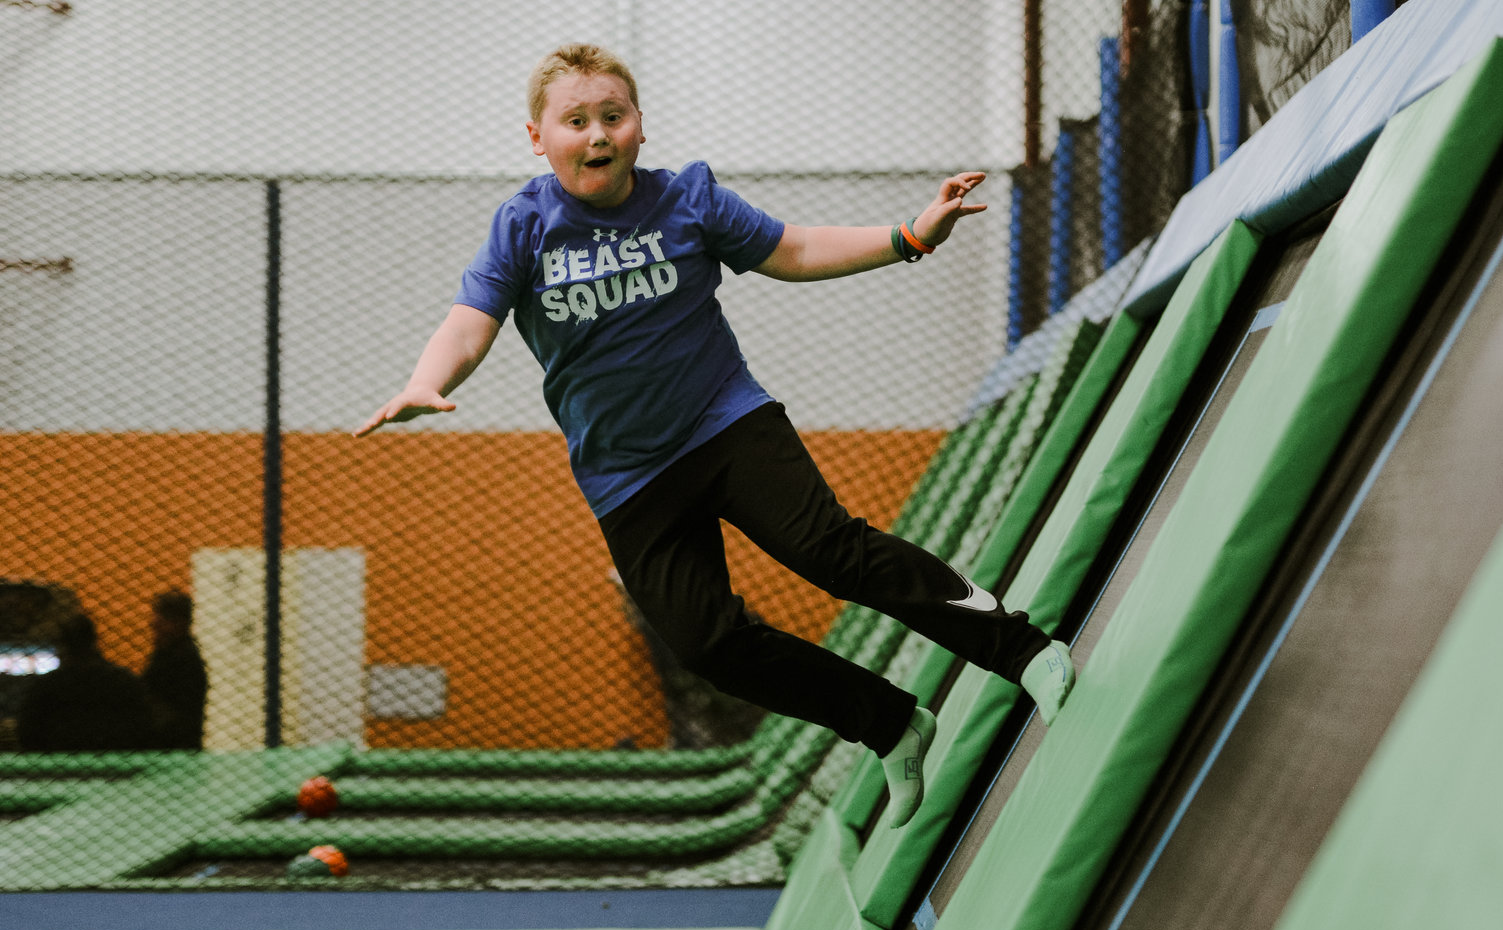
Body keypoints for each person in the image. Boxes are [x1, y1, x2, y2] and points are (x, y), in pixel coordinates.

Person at [358, 44, 1073, 826]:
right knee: (707, 644)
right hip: (626, 475)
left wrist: (909, 235)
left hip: (725, 424)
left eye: (612, 115)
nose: (595, 134)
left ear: (638, 127)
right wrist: (429, 379)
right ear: (539, 138)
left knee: (834, 552)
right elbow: (470, 323)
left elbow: (794, 250)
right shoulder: (525, 227)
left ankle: (1021, 650)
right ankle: (892, 723)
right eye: (575, 121)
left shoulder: (688, 201)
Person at [16, 612, 157, 753]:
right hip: (115, 761)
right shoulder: (122, 680)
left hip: (61, 763)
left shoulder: (46, 687)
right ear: (94, 641)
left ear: (61, 646)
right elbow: (144, 725)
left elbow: (28, 732)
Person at [140, 589, 208, 751]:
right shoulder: (165, 654)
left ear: (180, 623)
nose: (154, 623)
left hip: (175, 747)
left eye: (163, 618)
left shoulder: (182, 659)